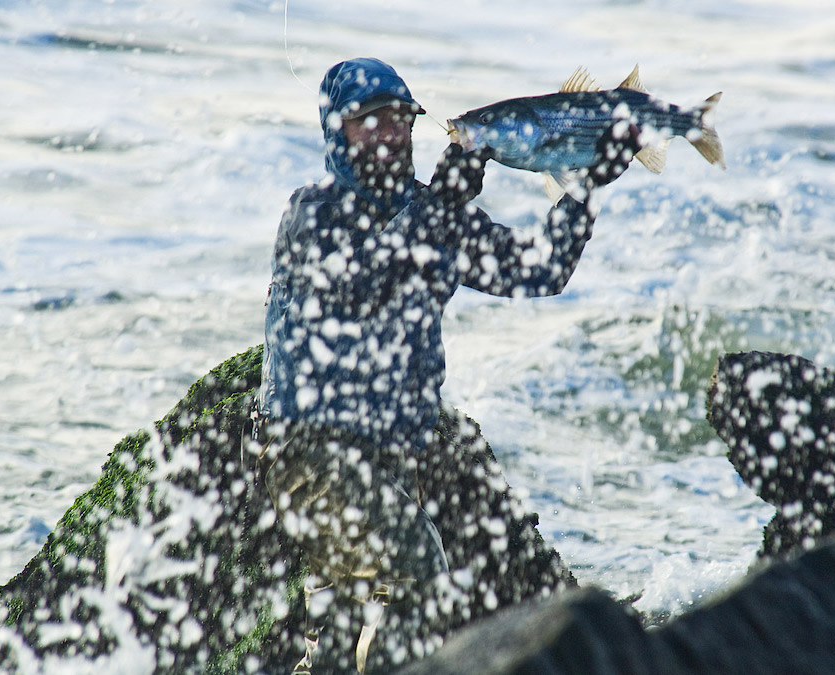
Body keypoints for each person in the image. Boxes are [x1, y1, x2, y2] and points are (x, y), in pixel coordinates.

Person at [254, 57, 639, 672]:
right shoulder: (313, 213)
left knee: (349, 616)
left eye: (400, 120)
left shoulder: (435, 212)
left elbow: (538, 270)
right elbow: (368, 281)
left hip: (391, 452)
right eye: (367, 122)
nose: (387, 134)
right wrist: (446, 202)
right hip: (311, 449)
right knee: (421, 577)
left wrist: (586, 188)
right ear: (336, 131)